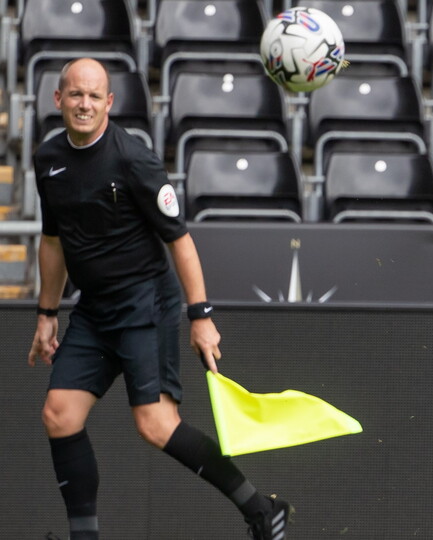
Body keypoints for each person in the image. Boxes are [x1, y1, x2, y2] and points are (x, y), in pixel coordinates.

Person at [28, 58, 290, 540]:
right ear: (58, 99)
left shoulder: (133, 159)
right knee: (59, 415)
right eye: (75, 94)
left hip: (146, 306)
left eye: (93, 96)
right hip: (93, 311)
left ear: (109, 103)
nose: (83, 104)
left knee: (155, 425)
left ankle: (260, 509)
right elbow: (53, 240)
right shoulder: (48, 160)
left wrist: (200, 316)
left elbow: (180, 239)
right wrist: (47, 314)